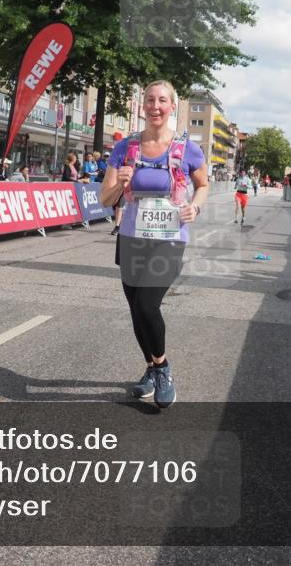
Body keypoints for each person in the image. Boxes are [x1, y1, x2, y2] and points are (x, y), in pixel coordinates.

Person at [100, 80, 207, 409]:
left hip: (169, 239)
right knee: (135, 311)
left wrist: (195, 206)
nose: (156, 106)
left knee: (148, 305)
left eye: (163, 100)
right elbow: (106, 199)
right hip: (132, 237)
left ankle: (162, 369)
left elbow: (203, 185)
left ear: (172, 106)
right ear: (142, 106)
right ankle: (151, 368)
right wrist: (120, 183)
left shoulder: (187, 148)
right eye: (150, 100)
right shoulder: (126, 148)